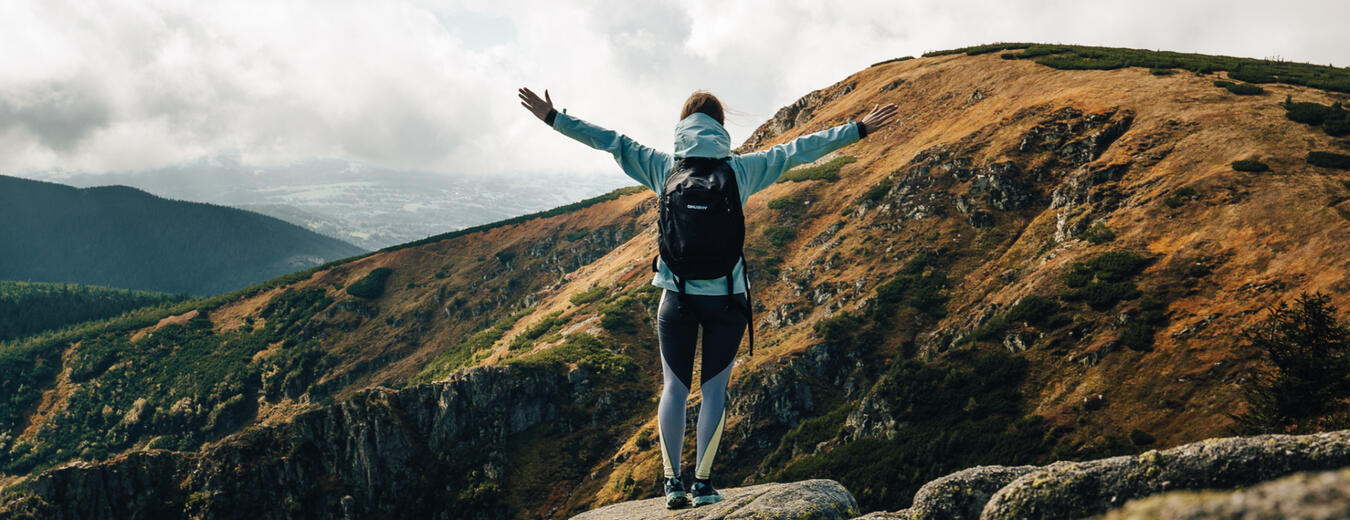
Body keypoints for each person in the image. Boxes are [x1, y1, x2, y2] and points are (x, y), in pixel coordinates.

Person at [518, 86, 897, 508]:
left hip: (675, 297)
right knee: (714, 391)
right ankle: (702, 484)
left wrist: (555, 119)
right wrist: (858, 129)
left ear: (682, 126)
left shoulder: (663, 167)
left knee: (673, 390)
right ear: (720, 127)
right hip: (727, 299)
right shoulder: (743, 170)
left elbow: (612, 141)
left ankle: (671, 485)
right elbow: (798, 151)